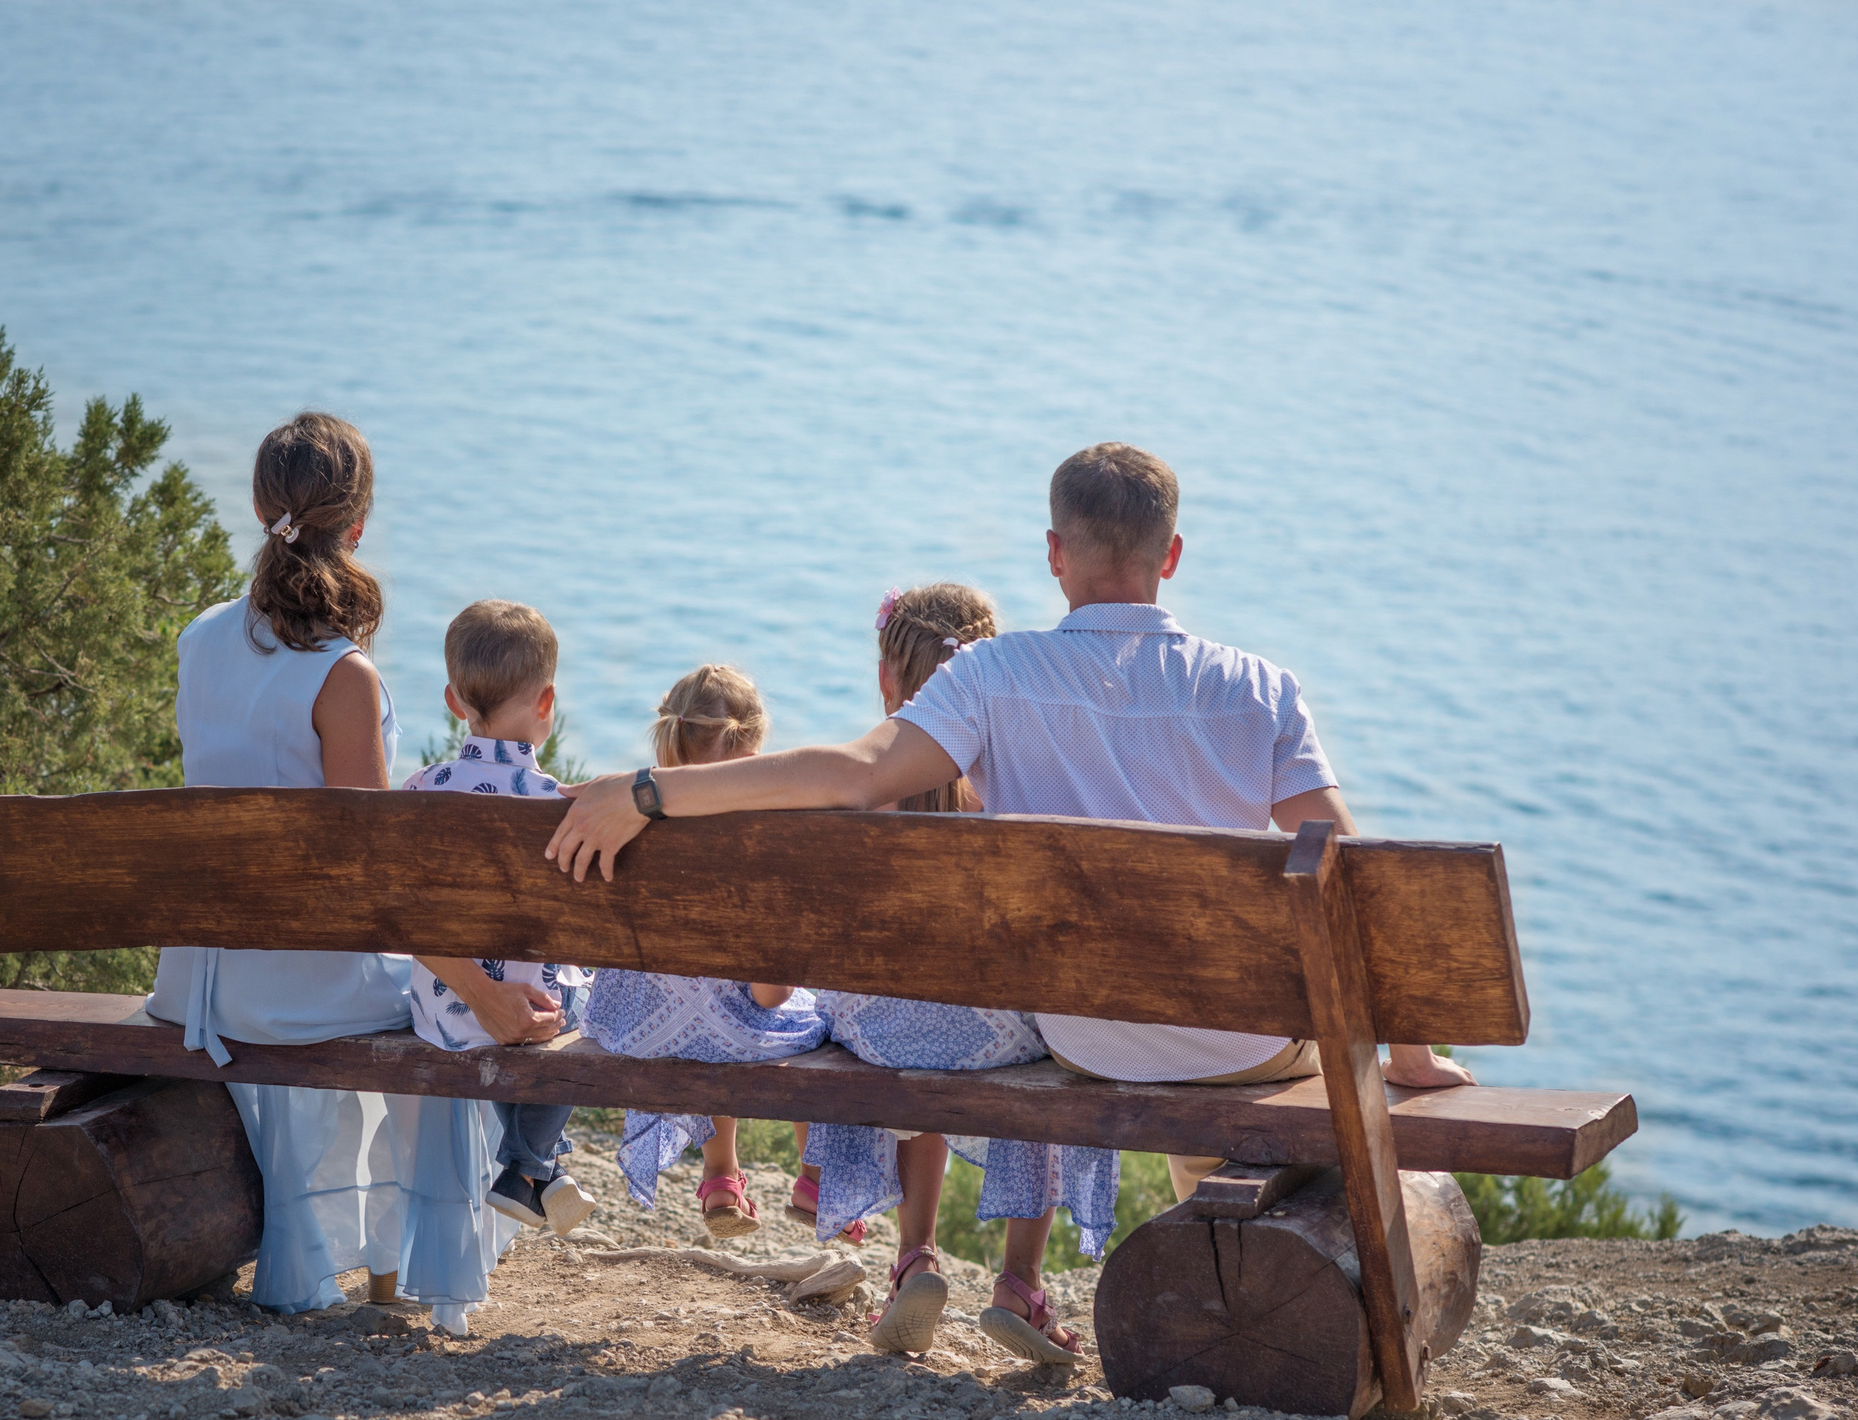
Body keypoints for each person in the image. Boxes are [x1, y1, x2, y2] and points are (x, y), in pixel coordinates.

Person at [546, 441, 1475, 1213]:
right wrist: (1410, 1050)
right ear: (1172, 555)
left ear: (1055, 553)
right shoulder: (1260, 689)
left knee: (1165, 1051)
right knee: (1250, 1054)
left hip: (1086, 1035)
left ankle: (1220, 1233)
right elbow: (1353, 870)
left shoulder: (994, 676)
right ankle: (1235, 1237)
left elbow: (856, 777)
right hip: (1244, 1045)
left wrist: (649, 791)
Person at [145, 413, 557, 1334]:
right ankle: (410, 1262)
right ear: (358, 526)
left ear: (261, 508)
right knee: (443, 1005)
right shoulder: (344, 676)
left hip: (199, 981)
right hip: (296, 992)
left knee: (426, 976)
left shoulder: (198, 639)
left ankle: (368, 1249)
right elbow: (377, 889)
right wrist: (483, 993)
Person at [799, 584, 1116, 1361]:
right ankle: (1020, 1281)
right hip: (993, 1036)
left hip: (880, 1030)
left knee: (916, 1010)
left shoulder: (854, 795)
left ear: (886, 680)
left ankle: (915, 1256)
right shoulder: (1013, 796)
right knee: (1033, 1030)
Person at [578, 665, 828, 1236]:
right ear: (752, 755)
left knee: (705, 1003)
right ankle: (815, 1181)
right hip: (716, 1028)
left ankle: (720, 1176)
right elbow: (769, 995)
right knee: (810, 1018)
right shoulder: (763, 835)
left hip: (639, 1025)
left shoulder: (626, 817)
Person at [398, 598, 599, 1239]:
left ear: (454, 701)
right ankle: (530, 1168)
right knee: (580, 999)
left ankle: (541, 1172)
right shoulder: (560, 805)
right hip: (528, 1015)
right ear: (547, 702)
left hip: (442, 1012)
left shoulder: (418, 790)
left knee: (543, 992)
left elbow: (398, 907)